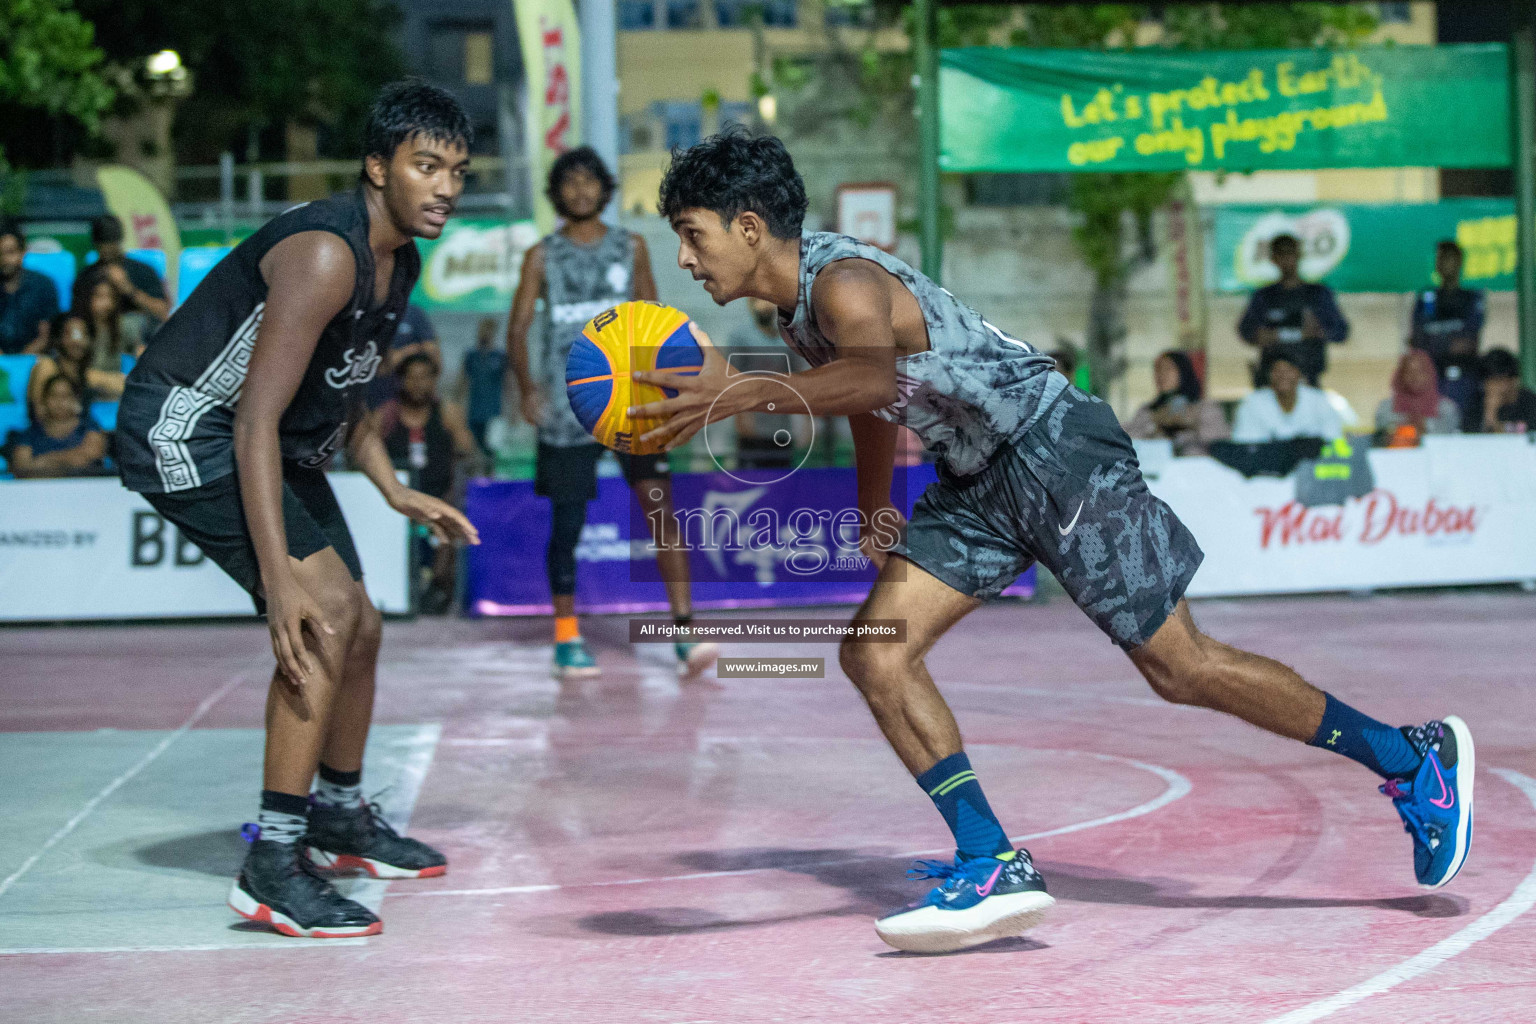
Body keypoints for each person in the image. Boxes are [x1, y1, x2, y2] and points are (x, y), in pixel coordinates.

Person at [636, 128, 1473, 953]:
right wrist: (868, 506)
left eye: (691, 234)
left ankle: (1411, 757)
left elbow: (869, 375)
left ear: (749, 227)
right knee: (875, 652)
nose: (686, 258)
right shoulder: (796, 312)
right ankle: (991, 858)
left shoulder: (844, 281)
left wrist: (735, 392)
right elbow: (863, 400)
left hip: (1053, 448)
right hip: (978, 483)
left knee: (1178, 667)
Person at [114, 82, 480, 940]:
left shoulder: (400, 261)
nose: (446, 187)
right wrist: (281, 582)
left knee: (365, 626)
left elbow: (343, 394)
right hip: (188, 431)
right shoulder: (326, 252)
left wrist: (391, 486)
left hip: (269, 436)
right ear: (377, 165)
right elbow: (251, 421)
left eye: (458, 171)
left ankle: (340, 816)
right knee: (321, 617)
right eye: (427, 166)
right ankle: (273, 864)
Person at [506, 145, 716, 680]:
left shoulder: (633, 245)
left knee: (661, 514)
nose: (580, 191)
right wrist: (529, 390)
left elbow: (655, 320)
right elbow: (517, 330)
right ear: (556, 193)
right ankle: (567, 637)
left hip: (634, 403)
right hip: (569, 406)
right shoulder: (541, 255)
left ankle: (686, 634)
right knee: (568, 524)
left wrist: (667, 389)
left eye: (589, 181)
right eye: (569, 183)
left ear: (604, 189)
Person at [375, 352, 480, 612]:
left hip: (439, 498)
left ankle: (438, 586)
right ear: (400, 381)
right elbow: (363, 454)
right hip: (395, 504)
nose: (417, 384)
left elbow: (469, 452)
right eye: (411, 378)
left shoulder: (446, 412)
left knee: (451, 520)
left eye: (424, 378)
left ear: (434, 380)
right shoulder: (385, 416)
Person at [1237, 233, 1349, 386]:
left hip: (1308, 377)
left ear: (1299, 255)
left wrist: (1319, 331)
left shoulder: (1317, 295)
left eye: (1290, 253)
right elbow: (1246, 331)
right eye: (1281, 254)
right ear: (1273, 259)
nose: (1286, 259)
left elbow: (1341, 332)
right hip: (1273, 380)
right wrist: (1261, 335)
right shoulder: (1264, 297)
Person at [1123, 349, 1229, 457]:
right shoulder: (1149, 410)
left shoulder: (1205, 407)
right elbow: (1127, 438)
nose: (1161, 375)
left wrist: (1189, 425)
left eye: (1168, 369)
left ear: (1183, 372)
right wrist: (1155, 423)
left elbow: (1219, 441)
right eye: (1158, 369)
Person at [1231, 349, 1345, 444]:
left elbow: (1334, 439)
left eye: (1289, 370)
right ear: (1268, 375)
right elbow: (1245, 443)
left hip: (1312, 468)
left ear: (1299, 374)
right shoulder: (1252, 403)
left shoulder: (1319, 401)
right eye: (1276, 370)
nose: (1283, 376)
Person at [9, 375, 108, 478]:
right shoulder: (29, 435)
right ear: (44, 400)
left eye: (65, 396)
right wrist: (69, 459)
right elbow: (22, 468)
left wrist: (46, 460)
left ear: (75, 399)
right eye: (54, 396)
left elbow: (90, 456)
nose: (59, 402)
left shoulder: (89, 427)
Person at [27, 311, 126, 413]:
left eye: (83, 334)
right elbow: (38, 412)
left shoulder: (84, 374)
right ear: (57, 338)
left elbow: (122, 385)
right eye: (69, 334)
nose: (77, 341)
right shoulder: (47, 366)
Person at [87, 214, 171, 323]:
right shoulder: (88, 276)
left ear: (119, 242)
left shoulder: (142, 271)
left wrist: (128, 289)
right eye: (102, 246)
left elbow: (162, 310)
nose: (106, 251)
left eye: (111, 245)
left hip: (140, 335)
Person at [0, 220, 60, 355]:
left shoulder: (43, 286)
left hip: (35, 361)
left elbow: (46, 336)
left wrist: (20, 362)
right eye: (0, 254)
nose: (4, 260)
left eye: (10, 252)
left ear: (22, 252)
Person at [1375, 350, 1460, 443]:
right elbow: (1382, 437)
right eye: (1409, 372)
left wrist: (1424, 424)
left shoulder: (1447, 408)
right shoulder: (1386, 407)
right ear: (1401, 376)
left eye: (1421, 372)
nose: (1414, 377)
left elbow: (1447, 438)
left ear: (1430, 374)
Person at [366, 301, 440, 408]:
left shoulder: (414, 313)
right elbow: (381, 368)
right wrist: (407, 351)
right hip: (376, 393)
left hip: (406, 400)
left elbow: (433, 353)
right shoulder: (370, 313)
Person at [459, 315, 506, 453]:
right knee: (472, 449)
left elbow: (508, 384)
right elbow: (462, 382)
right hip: (473, 412)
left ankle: (490, 474)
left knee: (491, 450)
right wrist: (458, 406)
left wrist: (512, 411)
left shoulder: (500, 356)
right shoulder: (471, 356)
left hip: (493, 412)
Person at [71, 272, 134, 367]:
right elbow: (72, 369)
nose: (107, 303)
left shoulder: (121, 325)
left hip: (115, 378)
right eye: (100, 296)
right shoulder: (75, 326)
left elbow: (138, 350)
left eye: (111, 297)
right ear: (87, 297)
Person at [1472, 348, 1536, 434]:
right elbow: (1471, 440)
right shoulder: (1476, 403)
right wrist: (1490, 413)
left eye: (1505, 380)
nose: (1501, 387)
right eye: (1495, 381)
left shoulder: (1530, 403)